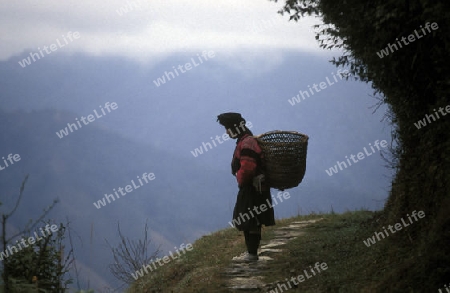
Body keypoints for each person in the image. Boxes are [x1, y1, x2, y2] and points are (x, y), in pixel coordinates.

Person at [217, 112, 275, 261]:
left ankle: (252, 254)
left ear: (235, 127)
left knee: (251, 220)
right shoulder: (245, 140)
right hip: (254, 187)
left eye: (228, 128)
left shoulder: (247, 143)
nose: (226, 132)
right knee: (249, 218)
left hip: (253, 188)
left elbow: (248, 168)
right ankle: (251, 252)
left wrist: (241, 179)